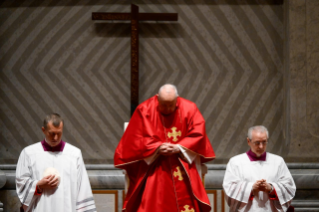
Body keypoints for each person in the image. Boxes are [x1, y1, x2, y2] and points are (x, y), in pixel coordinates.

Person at [114, 84, 215, 212]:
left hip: (182, 162)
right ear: (157, 98)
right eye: (163, 105)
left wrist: (179, 147)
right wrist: (156, 148)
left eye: (171, 105)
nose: (167, 109)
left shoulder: (190, 108)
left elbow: (198, 134)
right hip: (154, 165)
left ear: (177, 99)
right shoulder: (144, 109)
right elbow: (134, 139)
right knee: (154, 198)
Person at [16, 113, 96, 212]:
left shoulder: (74, 154)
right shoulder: (29, 153)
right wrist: (38, 185)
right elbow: (21, 182)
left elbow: (83, 188)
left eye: (59, 133)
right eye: (52, 133)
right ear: (43, 130)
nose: (56, 138)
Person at [223, 125, 296, 212]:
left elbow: (289, 187)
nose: (261, 146)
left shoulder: (278, 161)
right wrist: (251, 188)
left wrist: (271, 188)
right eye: (257, 143)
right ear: (248, 141)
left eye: (264, 142)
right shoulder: (235, 162)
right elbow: (229, 188)